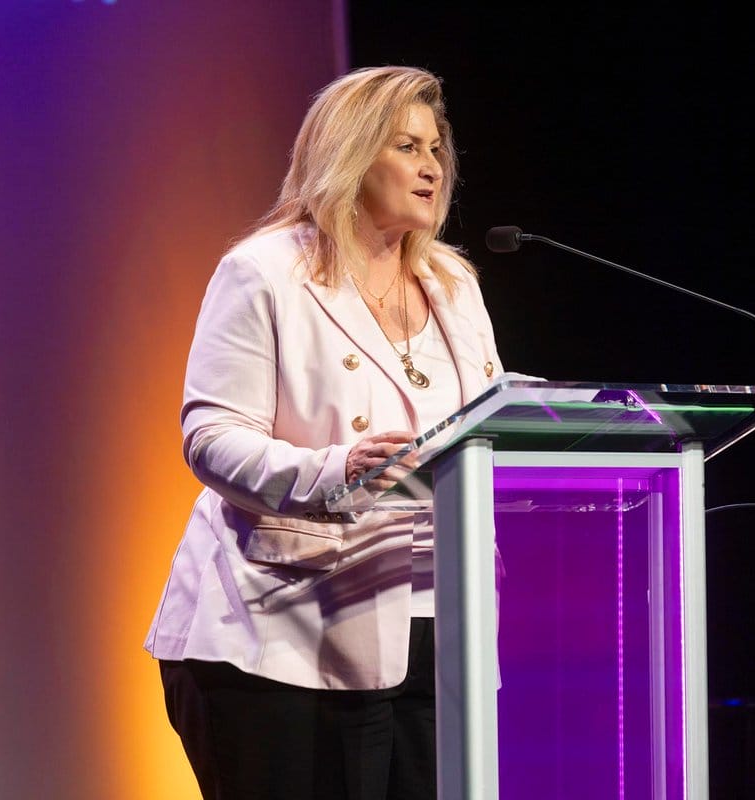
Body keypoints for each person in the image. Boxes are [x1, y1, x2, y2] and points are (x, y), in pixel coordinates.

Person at [145, 65, 503, 800]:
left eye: (437, 149)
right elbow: (211, 436)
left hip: (439, 627)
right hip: (280, 637)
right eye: (407, 146)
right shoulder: (267, 273)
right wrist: (335, 470)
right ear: (349, 152)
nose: (432, 167)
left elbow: (490, 420)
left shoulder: (454, 284)